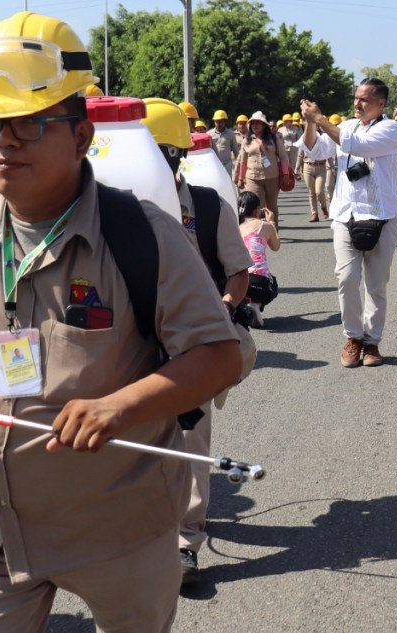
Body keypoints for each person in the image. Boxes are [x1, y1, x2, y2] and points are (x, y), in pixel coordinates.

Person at [0, 12, 241, 631]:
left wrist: (119, 407)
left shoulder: (142, 235)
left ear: (80, 134)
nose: (4, 140)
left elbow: (217, 355)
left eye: (29, 122)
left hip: (118, 528)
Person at [141, 97, 253, 587]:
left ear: (175, 156)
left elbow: (237, 272)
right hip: (129, 343)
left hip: (192, 346)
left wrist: (220, 316)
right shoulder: (113, 210)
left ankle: (185, 543)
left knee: (189, 441)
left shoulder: (206, 205)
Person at [300, 77, 397, 368]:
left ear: (380, 103)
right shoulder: (344, 126)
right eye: (356, 98)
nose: (357, 104)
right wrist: (310, 122)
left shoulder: (390, 129)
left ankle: (372, 342)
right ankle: (353, 337)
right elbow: (313, 150)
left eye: (364, 100)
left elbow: (358, 146)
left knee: (376, 284)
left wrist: (320, 118)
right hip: (345, 216)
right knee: (346, 279)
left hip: (381, 217)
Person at [235, 112, 291, 229]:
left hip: (272, 178)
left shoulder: (273, 139)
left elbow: (283, 156)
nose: (255, 125)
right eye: (253, 123)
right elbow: (243, 161)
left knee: (271, 207)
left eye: (258, 123)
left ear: (264, 125)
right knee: (256, 206)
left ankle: (274, 230)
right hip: (253, 178)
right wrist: (240, 178)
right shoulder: (247, 140)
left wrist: (286, 173)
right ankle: (258, 232)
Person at [237, 190, 279, 326]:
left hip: (239, 283)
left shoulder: (235, 228)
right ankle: (257, 303)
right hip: (261, 283)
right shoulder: (265, 226)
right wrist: (272, 222)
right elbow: (276, 246)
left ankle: (245, 304)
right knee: (274, 284)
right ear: (257, 211)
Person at [294, 123, 335, 222]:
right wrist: (297, 168)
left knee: (319, 191)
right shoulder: (304, 139)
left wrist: (332, 167)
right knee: (311, 192)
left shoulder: (322, 139)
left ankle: (323, 207)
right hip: (308, 167)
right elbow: (300, 155)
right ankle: (314, 214)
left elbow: (328, 154)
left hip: (321, 167)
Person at [208, 110, 239, 177]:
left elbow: (236, 150)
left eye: (220, 122)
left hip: (227, 165)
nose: (218, 124)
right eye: (216, 122)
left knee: (227, 184)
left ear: (225, 121)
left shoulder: (231, 134)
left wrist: (239, 166)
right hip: (214, 165)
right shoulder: (209, 134)